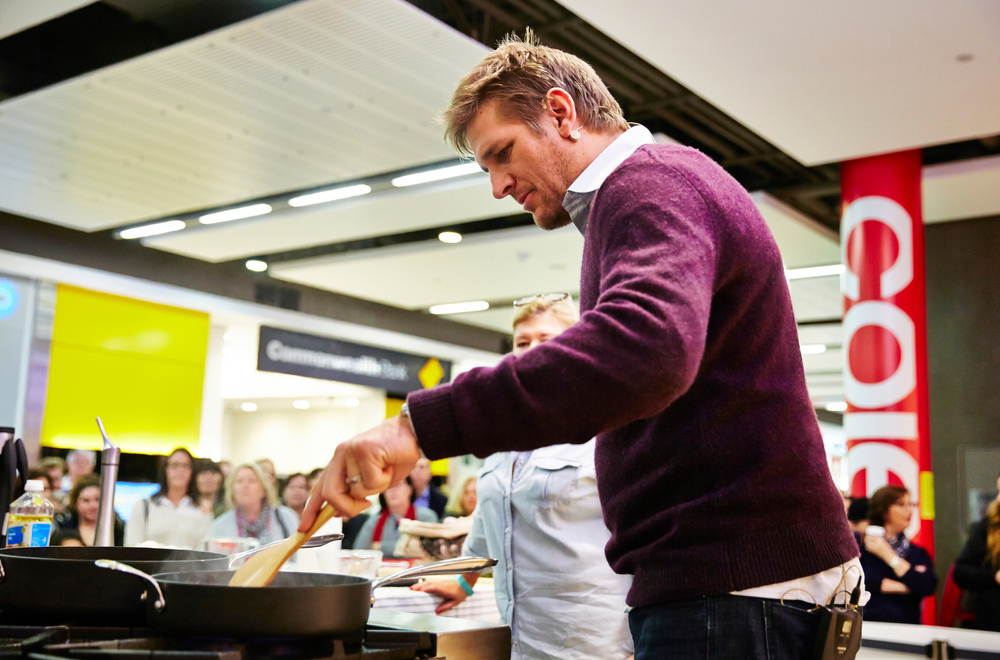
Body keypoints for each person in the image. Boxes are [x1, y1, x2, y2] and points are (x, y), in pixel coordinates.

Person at [303, 33, 861, 660]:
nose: (497, 186)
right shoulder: (645, 193)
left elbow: (646, 349)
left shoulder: (651, 183)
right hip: (731, 586)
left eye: (503, 153)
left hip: (733, 588)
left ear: (562, 113)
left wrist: (417, 426)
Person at [413, 294, 632, 660]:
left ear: (576, 347)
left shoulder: (604, 431)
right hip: (521, 640)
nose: (531, 353)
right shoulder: (503, 437)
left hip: (595, 642)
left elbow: (640, 533)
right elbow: (490, 521)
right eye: (522, 343)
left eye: (547, 342)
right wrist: (463, 579)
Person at [858, 486, 937, 624]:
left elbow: (928, 586)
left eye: (911, 504)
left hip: (908, 628)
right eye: (901, 504)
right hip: (869, 626)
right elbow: (860, 583)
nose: (909, 510)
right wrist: (909, 587)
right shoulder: (862, 548)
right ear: (883, 510)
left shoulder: (918, 552)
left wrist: (888, 555)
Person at [125, 448, 212, 548]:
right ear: (166, 469)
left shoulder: (202, 509)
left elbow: (204, 549)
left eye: (185, 466)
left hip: (189, 563)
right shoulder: (144, 506)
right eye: (175, 465)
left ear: (192, 471)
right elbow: (132, 547)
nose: (180, 470)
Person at [952, 472, 1000, 632]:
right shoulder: (987, 527)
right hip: (992, 622)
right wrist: (994, 576)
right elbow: (961, 572)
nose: (998, 499)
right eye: (999, 491)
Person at [206, 462, 298, 545]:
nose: (245, 486)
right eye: (239, 481)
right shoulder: (221, 525)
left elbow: (297, 555)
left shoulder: (285, 517)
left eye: (251, 481)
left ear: (264, 488)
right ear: (232, 490)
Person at [353, 476, 437, 559]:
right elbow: (358, 552)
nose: (393, 490)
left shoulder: (426, 517)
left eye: (398, 485)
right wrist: (407, 548)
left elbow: (428, 550)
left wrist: (379, 547)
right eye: (389, 486)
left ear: (410, 489)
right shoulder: (374, 521)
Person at [55, 474, 124, 546]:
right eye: (86, 500)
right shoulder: (63, 529)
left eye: (97, 499)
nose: (93, 505)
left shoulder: (119, 529)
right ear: (75, 503)